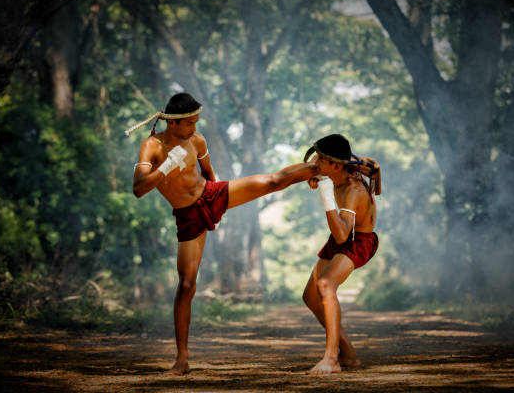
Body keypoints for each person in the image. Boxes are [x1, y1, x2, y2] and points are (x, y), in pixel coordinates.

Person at [129, 92, 318, 374]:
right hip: (187, 216)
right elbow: (139, 189)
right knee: (186, 286)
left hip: (211, 196)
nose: (194, 128)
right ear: (174, 123)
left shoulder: (197, 140)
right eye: (190, 123)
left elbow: (209, 173)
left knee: (272, 181)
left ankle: (323, 168)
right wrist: (168, 165)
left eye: (196, 122)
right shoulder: (152, 146)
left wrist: (218, 207)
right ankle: (182, 360)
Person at [301, 134, 381, 375]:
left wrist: (325, 196)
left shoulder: (353, 190)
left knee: (326, 285)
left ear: (336, 165)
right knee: (310, 297)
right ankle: (349, 355)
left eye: (322, 160)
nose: (316, 162)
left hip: (357, 240)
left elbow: (343, 236)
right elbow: (375, 167)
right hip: (342, 234)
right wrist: (319, 176)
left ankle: (331, 358)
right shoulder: (345, 168)